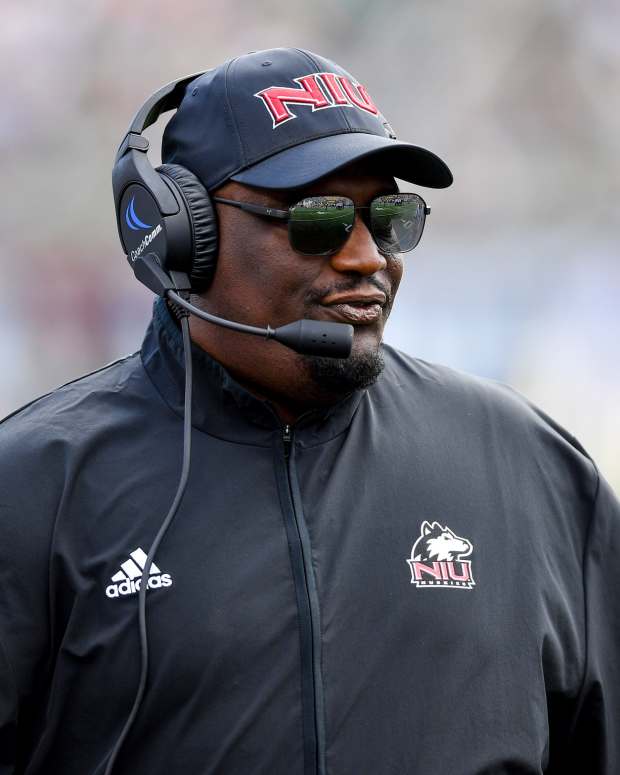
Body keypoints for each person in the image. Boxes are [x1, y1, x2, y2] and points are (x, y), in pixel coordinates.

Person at [0, 47, 618, 775]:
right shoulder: (35, 486)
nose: (366, 257)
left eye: (389, 217)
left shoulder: (529, 468)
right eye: (319, 219)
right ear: (183, 235)